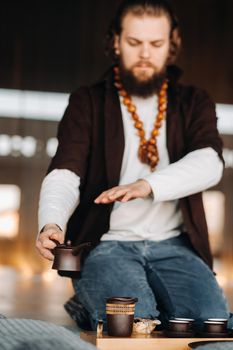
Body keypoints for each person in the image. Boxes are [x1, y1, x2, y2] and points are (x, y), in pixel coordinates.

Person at [36, 0, 232, 331]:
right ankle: (95, 300)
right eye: (134, 42)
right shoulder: (88, 101)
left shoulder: (194, 101)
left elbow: (209, 162)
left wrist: (147, 185)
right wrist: (51, 222)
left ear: (172, 45)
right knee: (136, 324)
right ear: (115, 42)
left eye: (155, 44)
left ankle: (90, 303)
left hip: (174, 244)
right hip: (107, 243)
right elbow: (65, 170)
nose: (145, 53)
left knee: (208, 324)